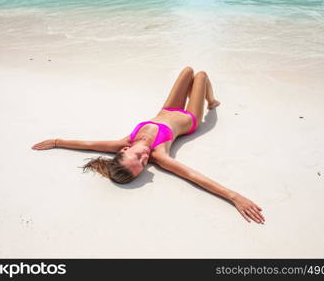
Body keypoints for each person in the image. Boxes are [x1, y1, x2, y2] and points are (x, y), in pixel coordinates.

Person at [32, 67, 265, 224]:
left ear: (124, 151)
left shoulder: (122, 142)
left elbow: (88, 143)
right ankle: (210, 101)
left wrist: (56, 142)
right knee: (201, 76)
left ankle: (212, 100)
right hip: (190, 119)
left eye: (139, 158)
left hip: (167, 109)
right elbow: (194, 176)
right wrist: (234, 197)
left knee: (187, 71)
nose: (146, 159)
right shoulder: (160, 154)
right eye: (144, 164)